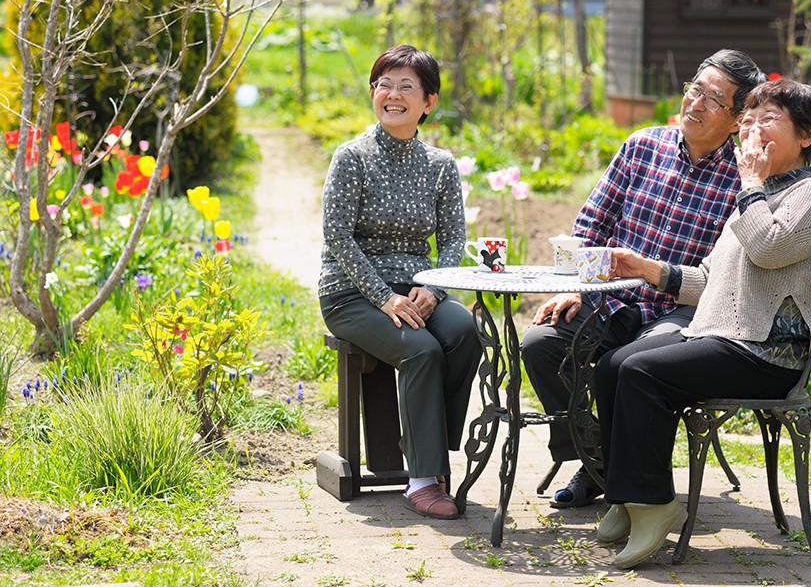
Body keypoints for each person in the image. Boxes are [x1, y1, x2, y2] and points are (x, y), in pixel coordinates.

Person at [592, 78, 811, 569]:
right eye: (746, 122)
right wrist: (648, 268)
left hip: (767, 353)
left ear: (806, 135)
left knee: (643, 373)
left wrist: (749, 189)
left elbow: (770, 248)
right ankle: (626, 495)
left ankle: (656, 505)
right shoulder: (758, 196)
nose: (751, 131)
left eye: (766, 121)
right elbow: (709, 279)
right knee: (614, 364)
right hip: (725, 339)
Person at [520, 49, 767, 508]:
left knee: (628, 366)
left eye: (714, 99)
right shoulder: (641, 146)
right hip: (609, 300)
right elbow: (590, 224)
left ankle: (609, 474)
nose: (695, 103)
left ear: (735, 121)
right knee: (540, 344)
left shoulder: (743, 182)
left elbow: (727, 275)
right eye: (695, 89)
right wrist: (573, 285)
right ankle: (594, 456)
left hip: (679, 312)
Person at [318, 45, 481, 520]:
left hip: (418, 289)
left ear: (428, 102)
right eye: (384, 84)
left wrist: (434, 291)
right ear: (374, 94)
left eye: (406, 86)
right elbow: (337, 236)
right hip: (350, 291)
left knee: (466, 334)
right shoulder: (351, 157)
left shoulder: (440, 165)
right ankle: (424, 479)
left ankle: (427, 445)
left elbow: (454, 240)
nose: (392, 94)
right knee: (422, 350)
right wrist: (384, 297)